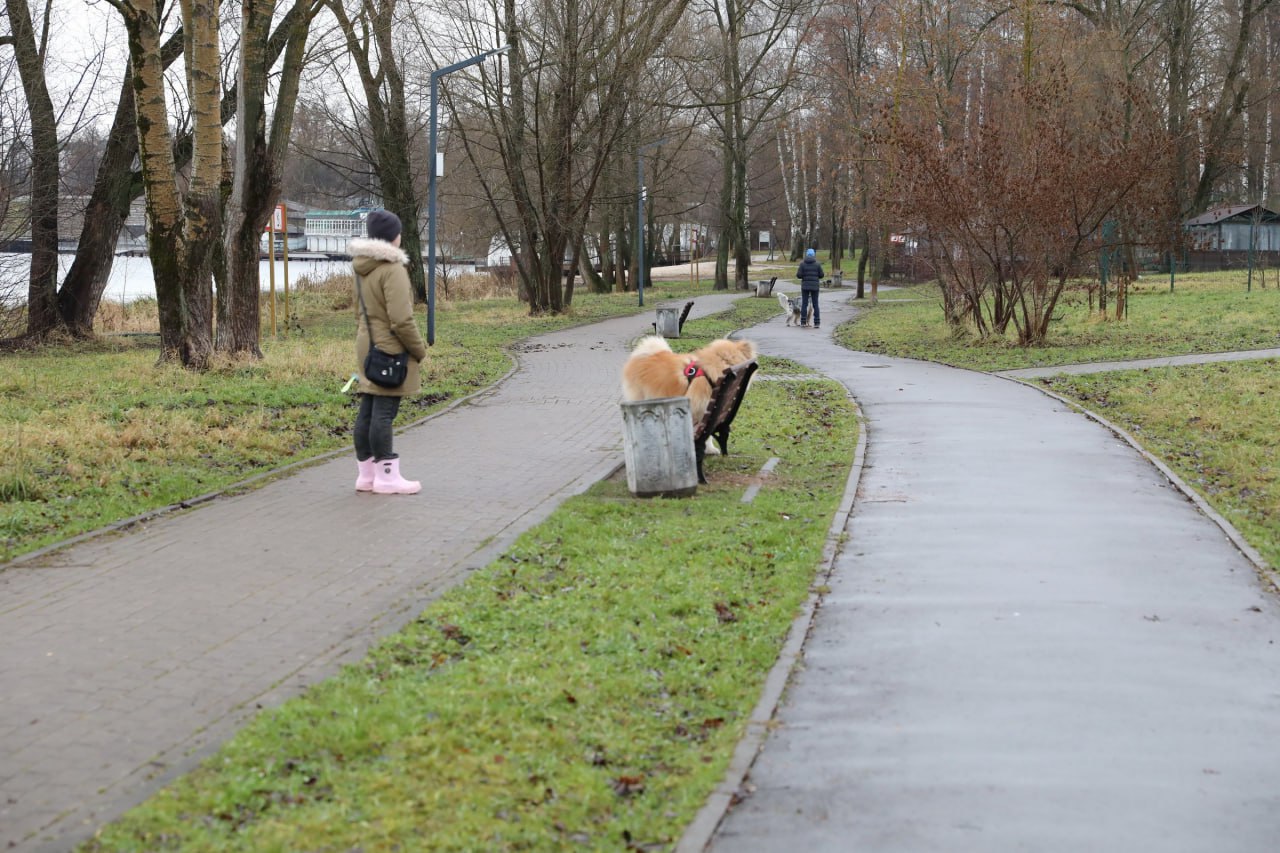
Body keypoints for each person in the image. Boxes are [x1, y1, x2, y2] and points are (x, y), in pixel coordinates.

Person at [350, 209, 429, 495]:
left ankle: (367, 475)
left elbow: (358, 312)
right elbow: (402, 319)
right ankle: (386, 478)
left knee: (368, 409)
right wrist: (419, 350)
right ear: (393, 237)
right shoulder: (392, 268)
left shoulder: (361, 267)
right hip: (389, 348)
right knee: (384, 411)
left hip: (366, 344)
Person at [796, 248, 824, 328]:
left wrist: (804, 275)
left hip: (805, 286)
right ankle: (817, 323)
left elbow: (799, 275)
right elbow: (821, 275)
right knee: (815, 304)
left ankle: (803, 322)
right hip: (815, 286)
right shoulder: (817, 264)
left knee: (804, 304)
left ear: (806, 255)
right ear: (814, 255)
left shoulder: (802, 264)